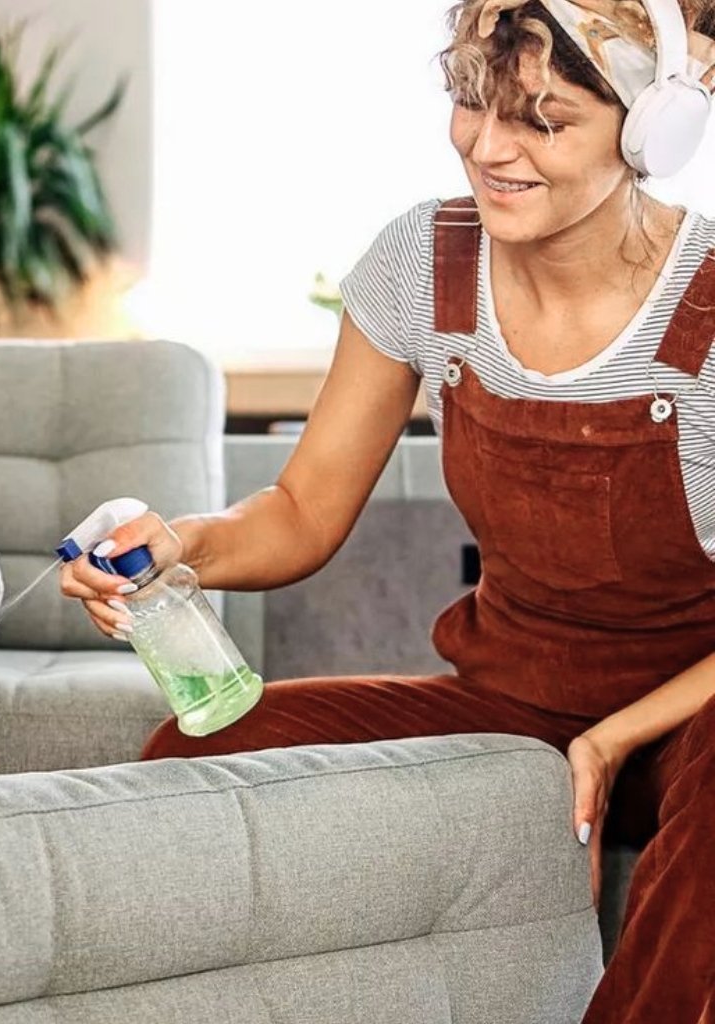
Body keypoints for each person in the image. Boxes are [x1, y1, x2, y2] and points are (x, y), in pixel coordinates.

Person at [60, 1, 715, 1019]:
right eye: (470, 103)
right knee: (195, 751)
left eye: (539, 120)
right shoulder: (423, 262)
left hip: (690, 717)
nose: (488, 148)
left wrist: (614, 735)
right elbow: (300, 510)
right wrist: (176, 544)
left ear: (646, 131)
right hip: (511, 697)